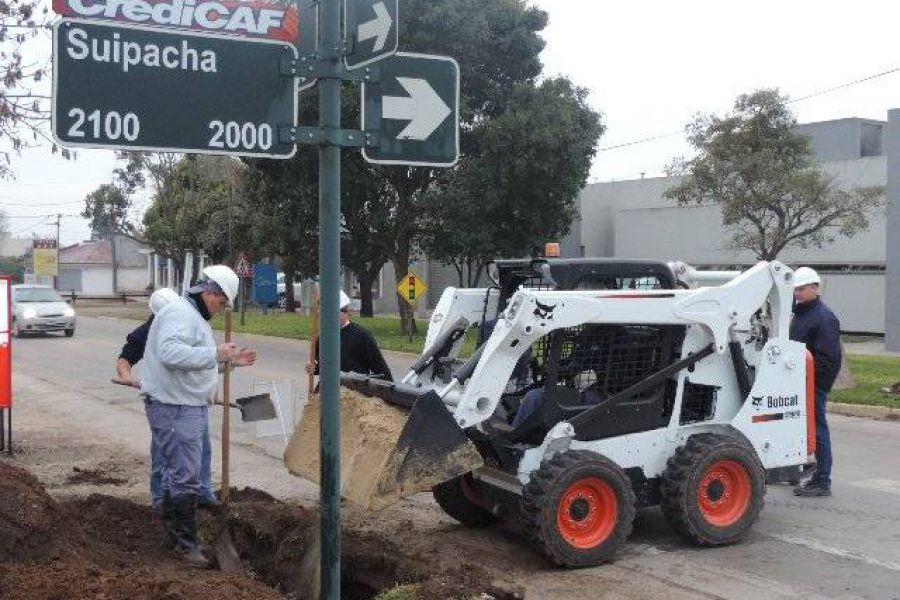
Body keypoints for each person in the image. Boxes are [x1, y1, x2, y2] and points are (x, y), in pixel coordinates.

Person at [141, 265, 256, 566]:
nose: (222, 309)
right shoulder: (180, 314)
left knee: (177, 472)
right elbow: (170, 354)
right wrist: (216, 354)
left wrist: (228, 363)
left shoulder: (193, 316)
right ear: (209, 292)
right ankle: (185, 546)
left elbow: (193, 360)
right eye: (222, 302)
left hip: (182, 402)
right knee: (185, 474)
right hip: (174, 405)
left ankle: (174, 537)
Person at [115, 288, 219, 510]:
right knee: (163, 453)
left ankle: (202, 492)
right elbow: (125, 359)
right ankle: (161, 500)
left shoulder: (191, 321)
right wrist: (128, 377)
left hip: (191, 400)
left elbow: (202, 358)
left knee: (202, 448)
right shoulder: (149, 330)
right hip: (166, 401)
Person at [791, 267, 841, 498]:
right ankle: (797, 468)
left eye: (801, 289)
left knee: (817, 429)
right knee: (796, 426)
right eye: (795, 289)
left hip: (812, 384)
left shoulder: (823, 317)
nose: (797, 293)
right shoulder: (801, 313)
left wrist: (814, 386)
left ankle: (823, 479)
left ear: (814, 288)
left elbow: (829, 358)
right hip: (798, 381)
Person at [306, 290, 393, 382]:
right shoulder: (324, 337)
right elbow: (320, 367)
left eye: (335, 311)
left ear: (346, 311)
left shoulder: (362, 336)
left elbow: (382, 372)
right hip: (326, 391)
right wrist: (312, 368)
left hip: (354, 391)